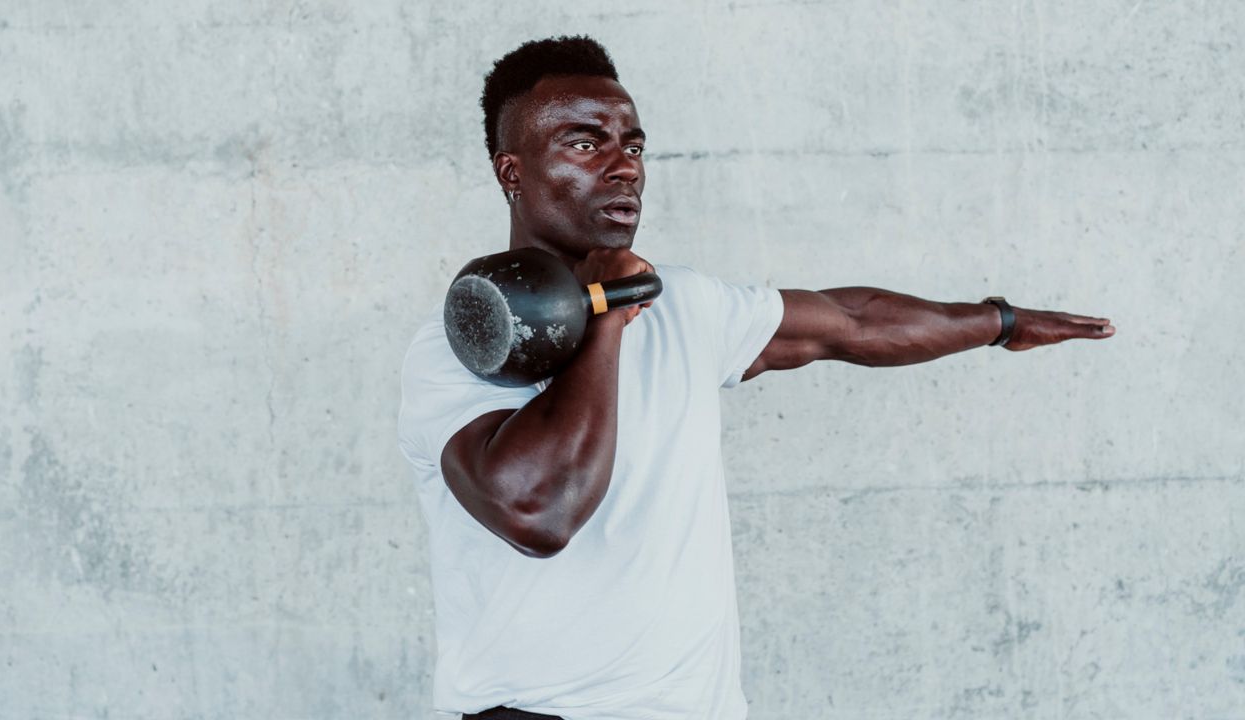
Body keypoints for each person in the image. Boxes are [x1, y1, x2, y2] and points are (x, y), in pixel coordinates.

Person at [397, 36, 1115, 720]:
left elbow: (850, 321)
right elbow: (538, 512)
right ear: (511, 171)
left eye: (633, 144)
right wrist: (607, 309)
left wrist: (1001, 322)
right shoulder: (458, 344)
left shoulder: (681, 304)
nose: (624, 167)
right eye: (585, 142)